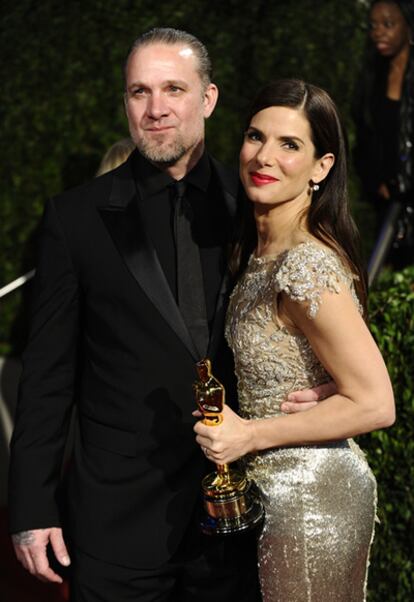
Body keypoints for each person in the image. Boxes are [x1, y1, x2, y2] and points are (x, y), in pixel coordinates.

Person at [8, 28, 325, 601]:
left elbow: (310, 318)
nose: (155, 110)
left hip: (237, 516)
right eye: (139, 92)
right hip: (116, 519)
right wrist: (32, 506)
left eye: (173, 89)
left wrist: (327, 387)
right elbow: (46, 377)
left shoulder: (254, 206)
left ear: (207, 99)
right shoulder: (75, 219)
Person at [194, 79, 395, 601]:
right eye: (256, 136)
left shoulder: (304, 263)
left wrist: (250, 435)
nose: (264, 157)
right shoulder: (259, 251)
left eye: (290, 145)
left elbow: (376, 403)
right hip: (277, 491)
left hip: (312, 497)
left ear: (321, 167)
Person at [353, 0, 414, 271]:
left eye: (388, 24)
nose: (379, 32)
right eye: (374, 26)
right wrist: (375, 179)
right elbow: (364, 139)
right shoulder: (371, 78)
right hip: (387, 200)